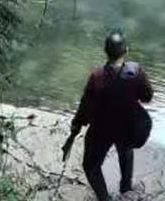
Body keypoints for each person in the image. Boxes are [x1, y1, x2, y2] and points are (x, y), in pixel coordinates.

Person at [64, 31, 153, 201]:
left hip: (101, 128)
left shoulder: (96, 77)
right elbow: (147, 97)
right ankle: (126, 187)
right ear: (126, 50)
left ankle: (104, 198)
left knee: (91, 166)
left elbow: (85, 106)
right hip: (127, 126)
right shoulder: (136, 72)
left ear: (105, 51)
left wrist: (76, 126)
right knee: (125, 148)